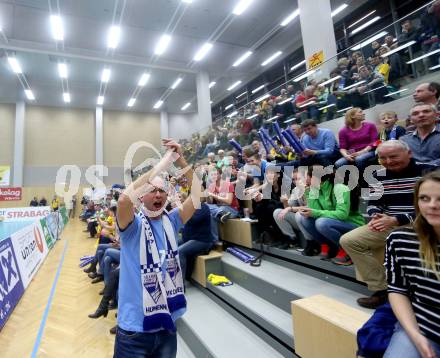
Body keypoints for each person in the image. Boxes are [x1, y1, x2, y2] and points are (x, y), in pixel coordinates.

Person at [115, 138, 201, 357]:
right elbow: (124, 200)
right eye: (152, 190)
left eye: (162, 191)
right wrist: (163, 163)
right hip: (134, 331)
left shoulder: (172, 220)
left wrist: (180, 159)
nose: (158, 195)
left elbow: (198, 194)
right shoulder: (132, 226)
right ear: (142, 195)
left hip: (166, 326)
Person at [340, 140, 426, 308]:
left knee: (394, 237)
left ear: (409, 153)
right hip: (388, 221)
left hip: (424, 222)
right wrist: (375, 215)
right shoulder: (378, 175)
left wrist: (397, 219)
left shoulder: (427, 171)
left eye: (393, 156)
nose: (388, 161)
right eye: (383, 158)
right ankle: (383, 289)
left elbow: (433, 207)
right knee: (349, 240)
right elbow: (373, 202)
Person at [383, 170, 440, 357]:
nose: (432, 206)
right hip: (423, 327)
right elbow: (397, 289)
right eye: (424, 198)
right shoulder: (400, 239)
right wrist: (415, 336)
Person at [296, 166, 364, 259]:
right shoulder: (316, 189)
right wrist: (308, 192)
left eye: (305, 176)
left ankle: (346, 249)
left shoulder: (339, 188)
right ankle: (328, 246)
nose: (303, 179)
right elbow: (314, 210)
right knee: (305, 219)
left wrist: (315, 212)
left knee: (321, 222)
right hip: (332, 221)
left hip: (352, 224)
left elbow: (342, 214)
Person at [178, 195, 215, 279]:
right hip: (190, 238)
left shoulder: (203, 207)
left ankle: (181, 284)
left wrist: (181, 208)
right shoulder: (190, 208)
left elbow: (192, 220)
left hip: (202, 240)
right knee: (171, 245)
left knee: (180, 251)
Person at [206, 167, 240, 242]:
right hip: (219, 209)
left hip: (231, 209)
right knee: (206, 207)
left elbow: (228, 201)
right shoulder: (211, 186)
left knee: (217, 211)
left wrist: (214, 195)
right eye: (211, 175)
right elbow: (210, 203)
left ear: (220, 175)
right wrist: (207, 196)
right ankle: (216, 241)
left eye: (216, 174)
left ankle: (220, 212)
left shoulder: (228, 184)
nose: (213, 176)